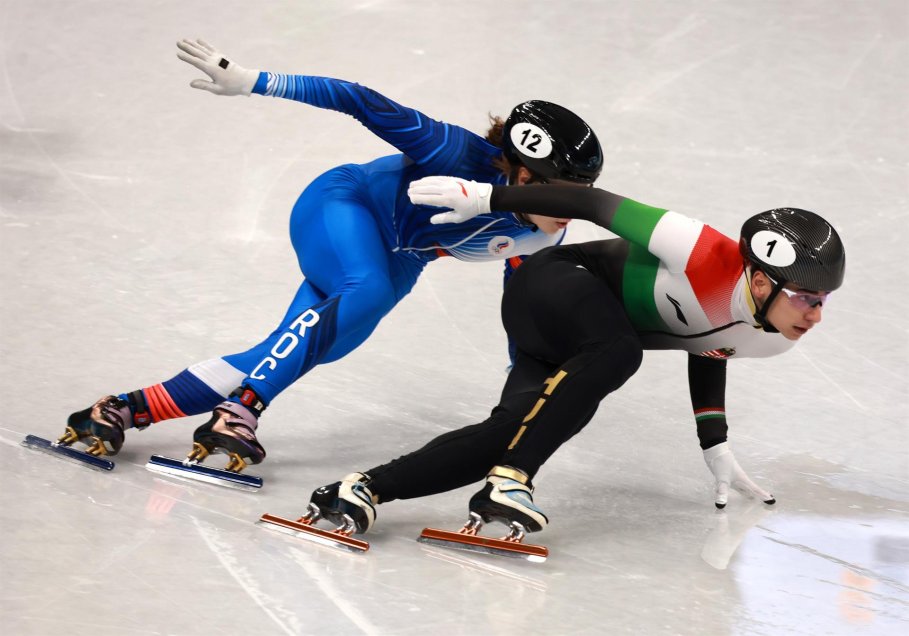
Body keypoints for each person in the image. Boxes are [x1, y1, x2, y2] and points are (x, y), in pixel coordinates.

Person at [56, 39, 604, 474]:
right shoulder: (454, 152)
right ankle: (243, 408)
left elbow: (522, 312)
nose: (570, 211)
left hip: (400, 256)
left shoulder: (541, 235)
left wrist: (523, 380)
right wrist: (253, 81)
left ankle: (123, 409)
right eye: (564, 193)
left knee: (299, 350)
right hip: (344, 205)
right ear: (524, 173)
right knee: (363, 293)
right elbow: (357, 99)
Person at [304, 176, 846, 538]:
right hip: (553, 285)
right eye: (805, 298)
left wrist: (715, 440)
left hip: (571, 346)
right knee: (620, 351)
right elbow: (592, 204)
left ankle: (360, 488)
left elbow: (711, 344)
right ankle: (513, 481)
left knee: (506, 434)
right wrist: (488, 199)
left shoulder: (775, 336)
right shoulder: (698, 248)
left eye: (823, 301)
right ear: (758, 277)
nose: (815, 316)